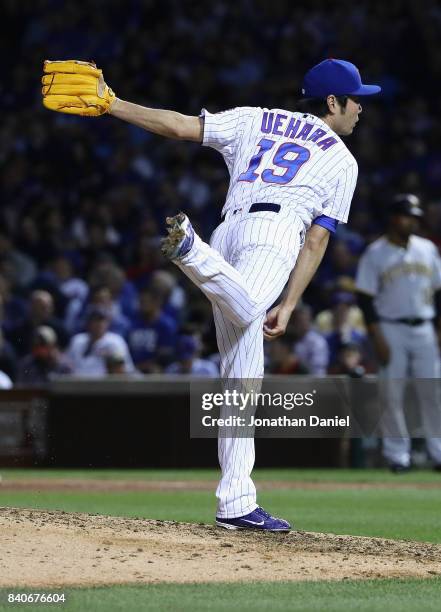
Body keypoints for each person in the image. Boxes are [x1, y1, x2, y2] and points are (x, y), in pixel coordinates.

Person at [43, 57, 381, 530]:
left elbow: (180, 127)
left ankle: (236, 501)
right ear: (332, 102)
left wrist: (113, 104)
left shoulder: (255, 117)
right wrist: (289, 302)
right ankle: (190, 251)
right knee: (248, 315)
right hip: (273, 233)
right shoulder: (343, 161)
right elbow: (317, 239)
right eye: (357, 99)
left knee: (241, 378)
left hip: (230, 232)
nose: (362, 108)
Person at [355, 194, 441, 472]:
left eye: (415, 216)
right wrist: (376, 336)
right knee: (392, 394)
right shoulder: (375, 252)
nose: (412, 221)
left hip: (425, 327)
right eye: (407, 216)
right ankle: (398, 456)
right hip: (390, 327)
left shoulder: (427, 249)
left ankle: (438, 453)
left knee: (433, 392)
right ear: (394, 218)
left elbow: (439, 293)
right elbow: (365, 299)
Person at [66, 307, 135, 377]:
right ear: (88, 323)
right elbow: (67, 366)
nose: (99, 324)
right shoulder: (77, 340)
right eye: (95, 320)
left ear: (108, 323)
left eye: (102, 320)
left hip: (104, 384)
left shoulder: (115, 341)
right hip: (77, 383)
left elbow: (124, 369)